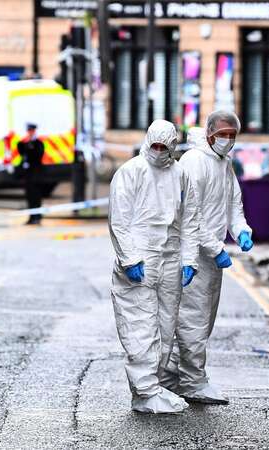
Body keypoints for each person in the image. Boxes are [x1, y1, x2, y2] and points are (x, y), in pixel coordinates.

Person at [108, 119, 200, 414]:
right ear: (147, 142)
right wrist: (129, 259)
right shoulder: (131, 172)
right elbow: (119, 221)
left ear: (174, 146)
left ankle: (153, 386)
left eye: (165, 147)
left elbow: (189, 220)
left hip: (170, 257)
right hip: (141, 259)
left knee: (165, 325)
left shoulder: (180, 174)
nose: (159, 152)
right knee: (140, 325)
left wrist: (189, 259)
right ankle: (145, 391)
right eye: (155, 146)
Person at [161, 111, 253, 405]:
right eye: (223, 134)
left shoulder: (223, 163)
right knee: (193, 320)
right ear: (210, 133)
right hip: (192, 256)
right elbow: (190, 217)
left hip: (211, 257)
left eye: (232, 135)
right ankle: (192, 381)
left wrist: (241, 231)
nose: (227, 140)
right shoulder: (194, 162)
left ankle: (172, 376)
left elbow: (233, 205)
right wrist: (216, 248)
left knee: (203, 319)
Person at [17, 123, 44, 225]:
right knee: (29, 197)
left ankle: (37, 216)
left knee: (36, 197)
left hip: (36, 176)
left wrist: (30, 145)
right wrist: (24, 142)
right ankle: (31, 217)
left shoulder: (38, 143)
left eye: (31, 131)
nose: (30, 133)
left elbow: (37, 156)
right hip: (28, 176)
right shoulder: (25, 143)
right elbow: (20, 150)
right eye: (28, 131)